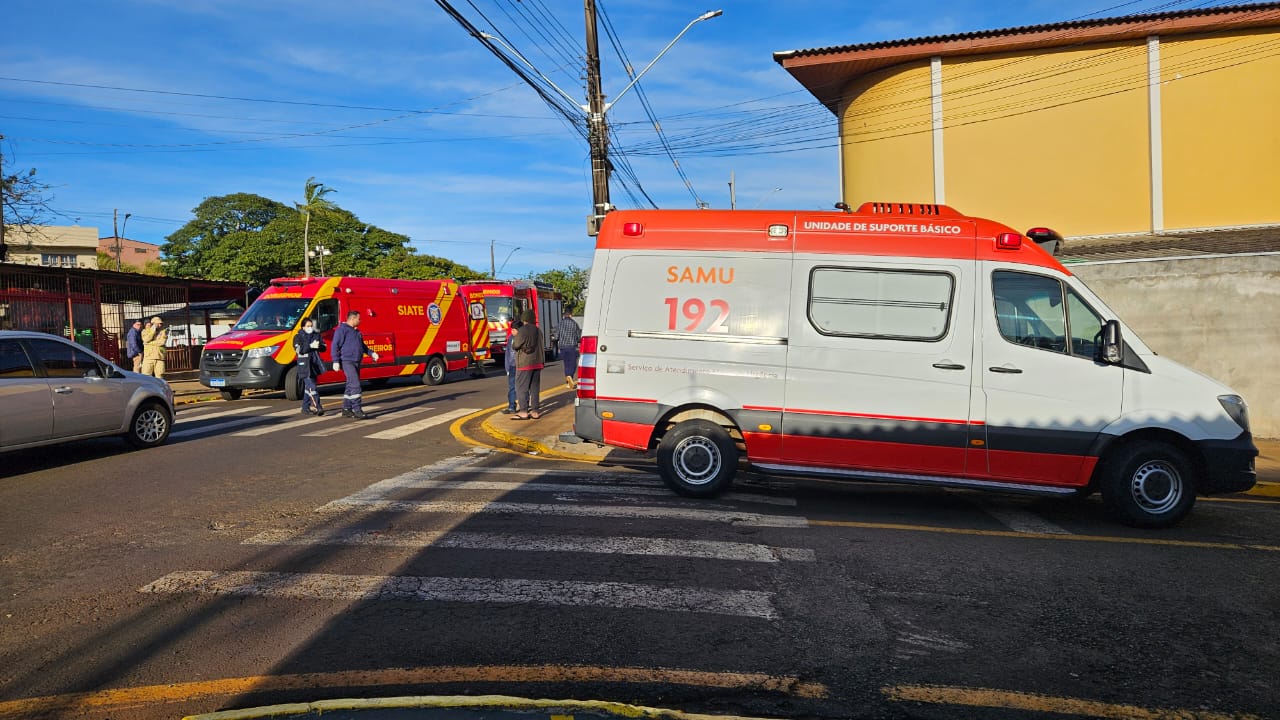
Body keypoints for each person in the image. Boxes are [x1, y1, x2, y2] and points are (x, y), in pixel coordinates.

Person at [331, 310, 379, 419]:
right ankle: (357, 409)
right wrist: (335, 361)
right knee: (355, 385)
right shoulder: (342, 330)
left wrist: (372, 353)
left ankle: (346, 408)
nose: (360, 320)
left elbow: (362, 346)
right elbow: (335, 346)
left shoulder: (356, 331)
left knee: (350, 385)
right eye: (359, 318)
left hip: (356, 361)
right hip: (347, 361)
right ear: (352, 319)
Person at [511, 309, 544, 420]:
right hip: (538, 363)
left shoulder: (523, 331)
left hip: (525, 363)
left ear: (524, 319)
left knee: (521, 387)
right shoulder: (538, 331)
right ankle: (535, 411)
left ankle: (523, 411)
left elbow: (515, 345)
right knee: (534, 388)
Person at [293, 316, 327, 416]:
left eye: (311, 326)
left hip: (315, 364)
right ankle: (318, 406)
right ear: (303, 327)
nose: (310, 328)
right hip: (304, 365)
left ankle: (305, 407)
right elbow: (299, 350)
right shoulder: (298, 337)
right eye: (308, 326)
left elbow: (324, 346)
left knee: (308, 388)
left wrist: (319, 346)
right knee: (312, 387)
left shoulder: (316, 335)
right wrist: (310, 346)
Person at [557, 310, 582, 390]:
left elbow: (557, 336)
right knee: (572, 364)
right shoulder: (574, 324)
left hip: (562, 347)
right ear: (571, 315)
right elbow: (578, 336)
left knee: (566, 364)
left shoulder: (560, 324)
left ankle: (568, 381)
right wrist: (578, 340)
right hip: (572, 347)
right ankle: (569, 376)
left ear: (564, 315)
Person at [502, 318, 522, 414]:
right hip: (512, 366)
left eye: (514, 330)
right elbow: (508, 354)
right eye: (512, 330)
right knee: (512, 387)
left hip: (521, 366)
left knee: (523, 387)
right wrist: (507, 367)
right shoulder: (510, 338)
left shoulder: (523, 338)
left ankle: (524, 405)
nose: (512, 332)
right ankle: (511, 406)